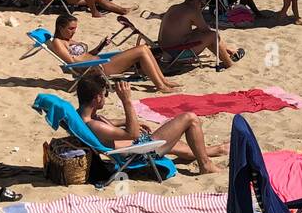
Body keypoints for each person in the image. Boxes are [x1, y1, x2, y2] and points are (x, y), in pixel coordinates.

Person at [76, 71, 226, 175]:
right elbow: (132, 134)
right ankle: (205, 165)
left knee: (177, 144)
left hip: (136, 147)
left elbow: (108, 125)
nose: (106, 98)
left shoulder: (82, 115)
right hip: (139, 153)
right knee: (190, 118)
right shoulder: (94, 125)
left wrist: (125, 121)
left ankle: (217, 150)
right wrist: (127, 101)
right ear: (97, 98)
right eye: (105, 94)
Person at [46, 13, 177, 92]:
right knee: (142, 50)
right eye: (71, 29)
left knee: (145, 49)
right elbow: (71, 62)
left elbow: (86, 53)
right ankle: (160, 85)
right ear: (60, 27)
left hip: (97, 62)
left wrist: (101, 45)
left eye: (75, 28)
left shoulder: (68, 39)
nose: (73, 31)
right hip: (97, 68)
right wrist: (94, 62)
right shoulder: (58, 42)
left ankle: (163, 81)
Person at [159, 0, 244, 67]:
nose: (202, 6)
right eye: (202, 4)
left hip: (164, 49)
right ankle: (229, 63)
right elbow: (206, 31)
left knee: (204, 33)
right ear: (198, 1)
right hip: (176, 52)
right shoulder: (192, 10)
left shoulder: (174, 7)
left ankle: (229, 51)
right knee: (212, 35)